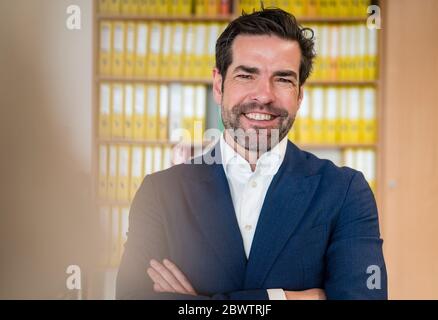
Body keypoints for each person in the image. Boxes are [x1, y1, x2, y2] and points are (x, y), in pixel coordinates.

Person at [116, 7, 387, 300]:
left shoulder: (345, 191)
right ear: (219, 86)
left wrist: (200, 303)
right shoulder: (160, 192)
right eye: (247, 75)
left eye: (283, 79)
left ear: (299, 96)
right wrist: (283, 298)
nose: (264, 95)